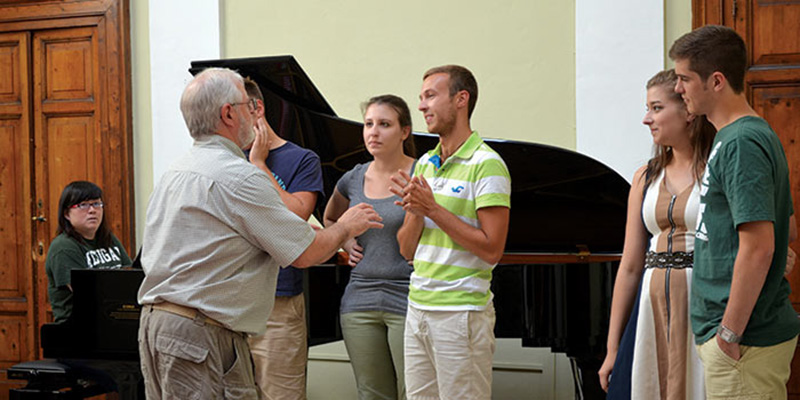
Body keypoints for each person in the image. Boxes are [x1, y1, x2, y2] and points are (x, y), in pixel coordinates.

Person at [137, 67, 383, 399]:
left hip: (158, 327)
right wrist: (345, 226)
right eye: (247, 106)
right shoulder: (238, 176)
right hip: (201, 334)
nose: (254, 113)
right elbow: (306, 254)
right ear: (228, 113)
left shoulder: (175, 172)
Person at [670, 25, 800, 399]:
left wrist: (729, 333)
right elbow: (786, 229)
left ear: (716, 81)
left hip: (744, 342)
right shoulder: (739, 136)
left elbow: (760, 247)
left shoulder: (741, 141)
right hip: (740, 339)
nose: (678, 89)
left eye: (684, 79)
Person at [390, 65, 511, 400]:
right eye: (421, 98)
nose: (422, 106)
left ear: (461, 99)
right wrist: (416, 211)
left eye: (431, 96)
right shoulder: (425, 163)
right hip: (418, 307)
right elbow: (406, 250)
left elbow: (492, 249)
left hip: (461, 313)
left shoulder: (488, 164)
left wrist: (432, 209)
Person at [598, 69, 716, 399]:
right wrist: (612, 348)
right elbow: (631, 265)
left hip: (702, 303)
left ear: (689, 111)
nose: (647, 119)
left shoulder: (717, 169)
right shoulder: (645, 177)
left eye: (656, 108)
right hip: (650, 306)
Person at [324, 94, 416, 400]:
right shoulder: (353, 178)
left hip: (409, 300)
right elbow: (330, 218)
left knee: (414, 392)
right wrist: (346, 240)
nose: (373, 132)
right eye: (368, 124)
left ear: (405, 131)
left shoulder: (422, 174)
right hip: (359, 301)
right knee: (372, 394)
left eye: (384, 124)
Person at [241, 77, 324, 400]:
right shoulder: (229, 156)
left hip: (279, 302)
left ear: (257, 108)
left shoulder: (301, 159)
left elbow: (293, 218)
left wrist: (259, 164)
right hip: (234, 300)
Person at [45, 180, 132, 323]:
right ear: (67, 214)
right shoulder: (63, 247)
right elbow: (86, 294)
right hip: (79, 328)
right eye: (83, 205)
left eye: (97, 204)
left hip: (111, 319)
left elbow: (130, 275)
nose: (92, 210)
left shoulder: (108, 239)